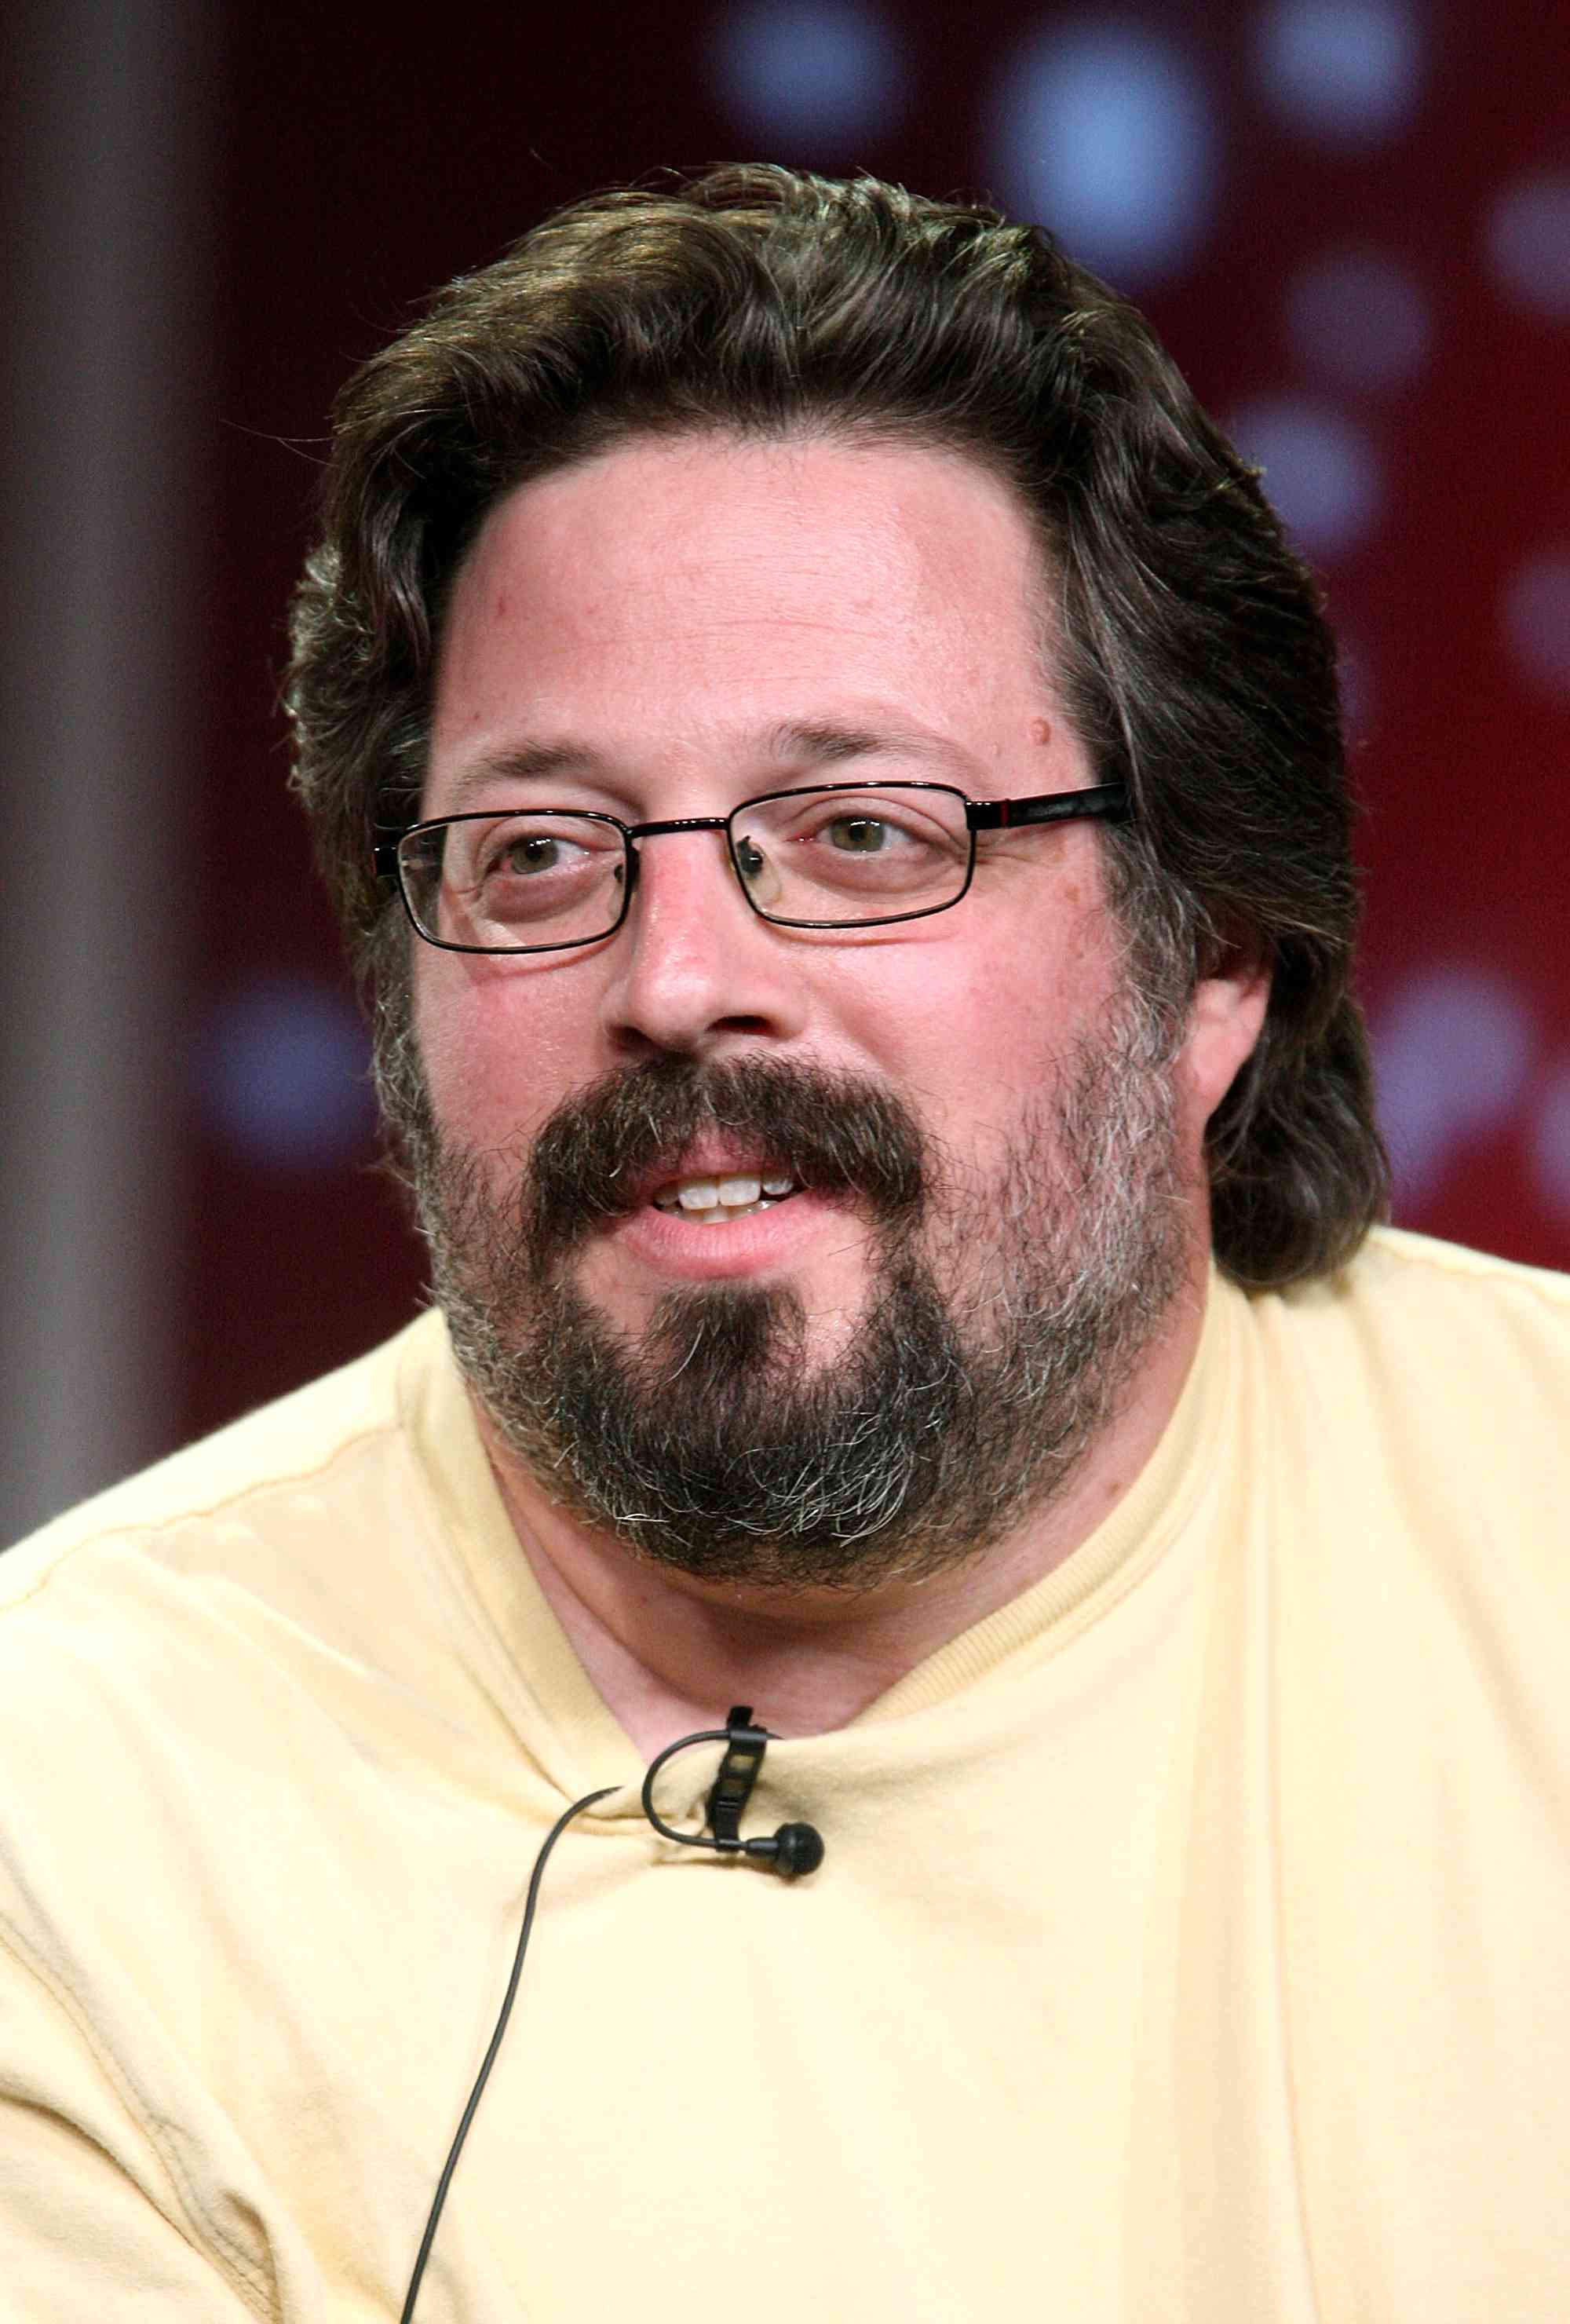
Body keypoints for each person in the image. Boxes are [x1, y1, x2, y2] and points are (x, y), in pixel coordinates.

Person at [2, 166, 1567, 2324]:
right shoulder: (70, 1817)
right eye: (540, 853)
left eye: (857, 835)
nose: (678, 977)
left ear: (1211, 960)